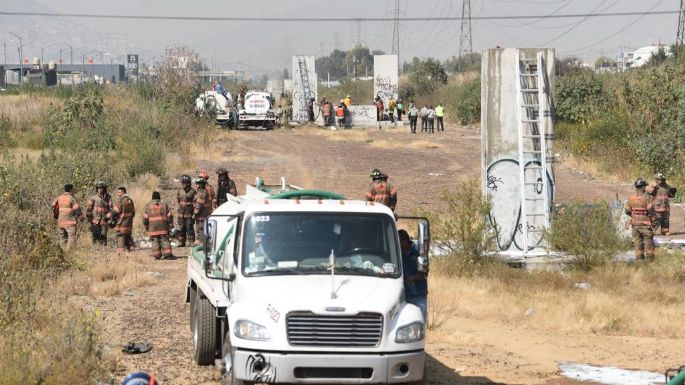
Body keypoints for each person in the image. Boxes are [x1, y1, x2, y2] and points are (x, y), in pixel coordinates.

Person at [399, 229, 428, 320]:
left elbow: (424, 273)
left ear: (405, 240)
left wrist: (413, 278)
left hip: (418, 294)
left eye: (399, 241)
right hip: (403, 295)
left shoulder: (418, 252)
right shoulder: (397, 254)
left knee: (420, 318)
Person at [624, 178, 656, 260]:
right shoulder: (647, 197)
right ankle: (650, 258)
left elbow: (627, 210)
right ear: (643, 187)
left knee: (637, 241)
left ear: (636, 187)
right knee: (648, 240)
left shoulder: (631, 198)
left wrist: (633, 215)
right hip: (645, 223)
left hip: (635, 223)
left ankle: (639, 258)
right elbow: (650, 209)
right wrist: (653, 221)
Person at [52, 183, 84, 251]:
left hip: (60, 222)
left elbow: (53, 205)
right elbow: (77, 209)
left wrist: (56, 215)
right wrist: (81, 218)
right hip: (70, 222)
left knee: (62, 238)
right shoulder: (72, 198)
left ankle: (62, 252)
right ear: (70, 189)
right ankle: (68, 252)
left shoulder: (59, 197)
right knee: (71, 237)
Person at [143, 191, 174, 260]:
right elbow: (169, 215)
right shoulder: (164, 204)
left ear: (152, 197)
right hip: (163, 226)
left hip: (152, 227)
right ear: (159, 197)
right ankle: (168, 255)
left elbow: (145, 217)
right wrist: (170, 223)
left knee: (155, 241)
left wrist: (146, 226)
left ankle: (157, 256)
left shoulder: (147, 205)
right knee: (165, 240)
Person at [85, 181, 113, 246]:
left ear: (104, 189)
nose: (100, 189)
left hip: (104, 220)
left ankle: (103, 250)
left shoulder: (108, 197)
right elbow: (89, 209)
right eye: (98, 188)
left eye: (101, 188)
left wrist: (110, 219)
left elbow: (111, 208)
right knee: (95, 235)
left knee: (104, 235)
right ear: (96, 189)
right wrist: (89, 219)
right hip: (95, 220)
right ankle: (96, 250)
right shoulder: (93, 198)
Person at [111, 186, 135, 252]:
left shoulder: (121, 200)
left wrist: (108, 216)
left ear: (123, 192)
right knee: (129, 239)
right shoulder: (130, 201)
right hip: (129, 226)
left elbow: (115, 211)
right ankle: (134, 255)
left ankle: (121, 257)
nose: (118, 194)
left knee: (120, 240)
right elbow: (133, 213)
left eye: (119, 192)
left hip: (121, 226)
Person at [176, 175, 196, 247]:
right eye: (183, 182)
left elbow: (196, 203)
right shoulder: (180, 191)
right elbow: (178, 200)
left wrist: (194, 213)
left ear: (188, 183)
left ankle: (191, 242)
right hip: (181, 214)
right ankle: (181, 241)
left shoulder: (193, 192)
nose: (183, 184)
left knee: (189, 228)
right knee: (181, 228)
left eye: (185, 182)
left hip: (189, 214)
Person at [193, 177, 211, 245]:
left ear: (201, 184)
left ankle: (202, 243)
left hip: (202, 214)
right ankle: (200, 241)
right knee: (199, 228)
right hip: (202, 214)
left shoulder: (201, 192)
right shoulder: (202, 191)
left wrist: (195, 213)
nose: (196, 185)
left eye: (197, 184)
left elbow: (199, 204)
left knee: (200, 228)